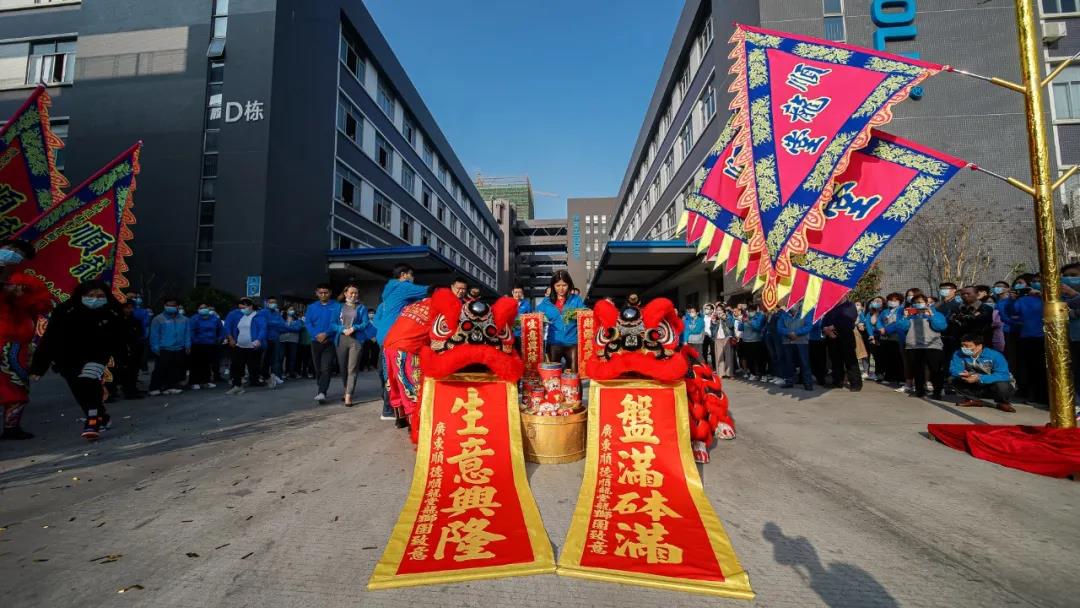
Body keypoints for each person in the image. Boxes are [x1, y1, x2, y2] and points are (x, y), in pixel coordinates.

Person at [30, 281, 122, 440]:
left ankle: (92, 421)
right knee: (79, 389)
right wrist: (39, 366)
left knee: (89, 381)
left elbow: (120, 338)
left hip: (97, 356)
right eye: (90, 295)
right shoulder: (65, 311)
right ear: (81, 295)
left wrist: (121, 360)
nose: (95, 299)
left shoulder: (112, 311)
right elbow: (50, 339)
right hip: (67, 358)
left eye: (100, 295)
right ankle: (101, 415)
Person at [0, 269, 52, 439]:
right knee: (14, 388)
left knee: (17, 389)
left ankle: (11, 427)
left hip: (16, 348)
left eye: (23, 287)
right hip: (8, 347)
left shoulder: (27, 304)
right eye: (15, 286)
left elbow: (43, 306)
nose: (18, 290)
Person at [373, 265, 429, 418]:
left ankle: (390, 409)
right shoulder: (403, 286)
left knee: (387, 374)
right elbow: (428, 290)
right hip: (398, 339)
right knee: (402, 375)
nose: (413, 279)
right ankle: (395, 410)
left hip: (384, 339)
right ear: (404, 275)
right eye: (412, 275)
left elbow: (377, 321)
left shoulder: (388, 294)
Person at [890, 293, 947, 399]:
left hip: (932, 346)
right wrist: (905, 317)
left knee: (935, 370)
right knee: (917, 370)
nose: (918, 304)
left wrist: (931, 316)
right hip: (913, 346)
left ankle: (937, 392)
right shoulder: (910, 315)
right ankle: (919, 391)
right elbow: (902, 327)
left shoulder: (936, 314)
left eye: (920, 302)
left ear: (926, 303)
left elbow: (940, 327)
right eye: (915, 303)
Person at [1004, 273, 1046, 404]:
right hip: (1027, 336)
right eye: (1034, 281)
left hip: (1046, 336)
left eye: (1039, 280)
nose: (1036, 283)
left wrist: (1042, 295)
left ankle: (1045, 397)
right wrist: (1012, 300)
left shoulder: (1050, 297)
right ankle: (1034, 395)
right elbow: (1012, 313)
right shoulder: (1022, 300)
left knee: (1044, 369)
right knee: (1031, 368)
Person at [948, 334, 1016, 412]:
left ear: (979, 346)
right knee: (953, 379)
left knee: (1002, 385)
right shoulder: (958, 353)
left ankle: (1003, 402)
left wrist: (979, 378)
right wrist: (961, 374)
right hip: (975, 383)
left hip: (993, 385)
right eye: (962, 345)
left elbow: (1003, 375)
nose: (964, 348)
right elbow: (954, 369)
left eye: (967, 346)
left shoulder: (995, 355)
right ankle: (972, 399)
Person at [536, 270, 585, 372]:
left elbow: (586, 314)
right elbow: (535, 317)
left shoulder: (576, 300)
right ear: (553, 286)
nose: (561, 289)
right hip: (554, 343)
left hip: (572, 343)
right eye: (558, 285)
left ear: (569, 285)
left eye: (564, 285)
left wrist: (580, 314)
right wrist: (541, 319)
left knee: (573, 374)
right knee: (553, 375)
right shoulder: (546, 302)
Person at [306, 283, 342, 404]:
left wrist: (326, 334)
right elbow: (308, 323)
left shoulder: (337, 306)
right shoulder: (311, 307)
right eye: (320, 293)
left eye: (325, 292)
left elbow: (339, 323)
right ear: (316, 293)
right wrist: (316, 334)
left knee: (326, 367)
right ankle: (321, 388)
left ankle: (322, 392)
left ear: (330, 293)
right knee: (318, 369)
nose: (323, 295)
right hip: (315, 341)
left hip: (330, 341)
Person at [334, 284, 369, 406]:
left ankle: (348, 395)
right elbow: (332, 324)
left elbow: (365, 323)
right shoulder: (338, 307)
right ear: (345, 294)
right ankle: (346, 389)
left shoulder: (362, 308)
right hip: (341, 339)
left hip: (356, 340)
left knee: (352, 368)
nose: (354, 295)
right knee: (343, 368)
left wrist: (354, 328)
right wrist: (342, 329)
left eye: (356, 293)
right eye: (351, 293)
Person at [223, 298, 267, 395]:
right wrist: (232, 339)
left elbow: (263, 329)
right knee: (236, 366)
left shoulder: (258, 316)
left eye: (244, 308)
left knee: (254, 366)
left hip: (252, 346)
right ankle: (237, 386)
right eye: (240, 308)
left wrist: (258, 339)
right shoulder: (242, 317)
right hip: (240, 346)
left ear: (250, 306)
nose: (242, 310)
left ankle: (264, 379)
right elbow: (236, 329)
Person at [148, 297, 190, 396]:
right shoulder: (158, 319)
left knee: (175, 368)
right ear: (164, 306)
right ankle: (154, 387)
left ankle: (171, 386)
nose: (171, 307)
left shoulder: (184, 319)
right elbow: (154, 334)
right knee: (160, 368)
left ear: (177, 306)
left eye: (173, 305)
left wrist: (188, 345)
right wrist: (155, 347)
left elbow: (187, 333)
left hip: (179, 347)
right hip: (164, 348)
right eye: (168, 305)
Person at [110, 298, 146, 400]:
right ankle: (116, 391)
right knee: (120, 370)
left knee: (133, 370)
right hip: (120, 349)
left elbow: (139, 334)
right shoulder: (116, 320)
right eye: (127, 308)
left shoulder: (135, 320)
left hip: (134, 348)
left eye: (131, 308)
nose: (129, 310)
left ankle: (131, 389)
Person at [822, 299, 862, 391]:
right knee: (835, 360)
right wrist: (825, 329)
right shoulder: (832, 306)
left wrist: (834, 326)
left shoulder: (849, 305)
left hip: (845, 336)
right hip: (832, 337)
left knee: (850, 361)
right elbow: (825, 318)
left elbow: (849, 319)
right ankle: (837, 381)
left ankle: (856, 384)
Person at [778, 308, 813, 390]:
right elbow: (779, 328)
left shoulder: (806, 312)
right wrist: (789, 333)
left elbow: (808, 326)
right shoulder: (783, 314)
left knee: (804, 363)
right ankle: (789, 381)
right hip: (787, 341)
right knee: (788, 362)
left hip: (802, 342)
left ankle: (808, 383)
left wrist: (796, 333)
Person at [737, 303, 766, 380]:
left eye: (752, 310)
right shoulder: (746, 317)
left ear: (755, 310)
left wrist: (749, 321)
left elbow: (758, 327)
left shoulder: (760, 317)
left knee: (758, 359)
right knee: (750, 359)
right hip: (746, 341)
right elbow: (740, 328)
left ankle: (762, 374)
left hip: (756, 340)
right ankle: (753, 374)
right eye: (749, 311)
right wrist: (742, 321)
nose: (750, 312)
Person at [711, 305, 736, 378]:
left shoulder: (728, 317)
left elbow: (731, 326)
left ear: (723, 310)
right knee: (719, 356)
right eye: (717, 310)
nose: (718, 311)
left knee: (729, 356)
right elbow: (712, 329)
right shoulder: (714, 317)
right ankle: (720, 373)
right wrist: (713, 322)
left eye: (720, 310)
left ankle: (729, 373)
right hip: (718, 338)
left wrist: (725, 319)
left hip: (727, 338)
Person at [279, 306, 302, 378]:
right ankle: (280, 373)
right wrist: (290, 328)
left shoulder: (297, 319)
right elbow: (280, 328)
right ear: (286, 310)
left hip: (293, 340)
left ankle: (290, 372)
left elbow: (297, 328)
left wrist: (286, 328)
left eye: (293, 309)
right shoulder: (281, 318)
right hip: (282, 340)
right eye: (290, 309)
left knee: (292, 358)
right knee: (281, 357)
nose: (292, 311)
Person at [511, 284, 532, 351]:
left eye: (520, 292)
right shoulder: (508, 303)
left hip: (522, 334)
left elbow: (531, 318)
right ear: (512, 292)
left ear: (522, 293)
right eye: (516, 292)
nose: (518, 294)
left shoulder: (527, 304)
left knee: (522, 353)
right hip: (510, 334)